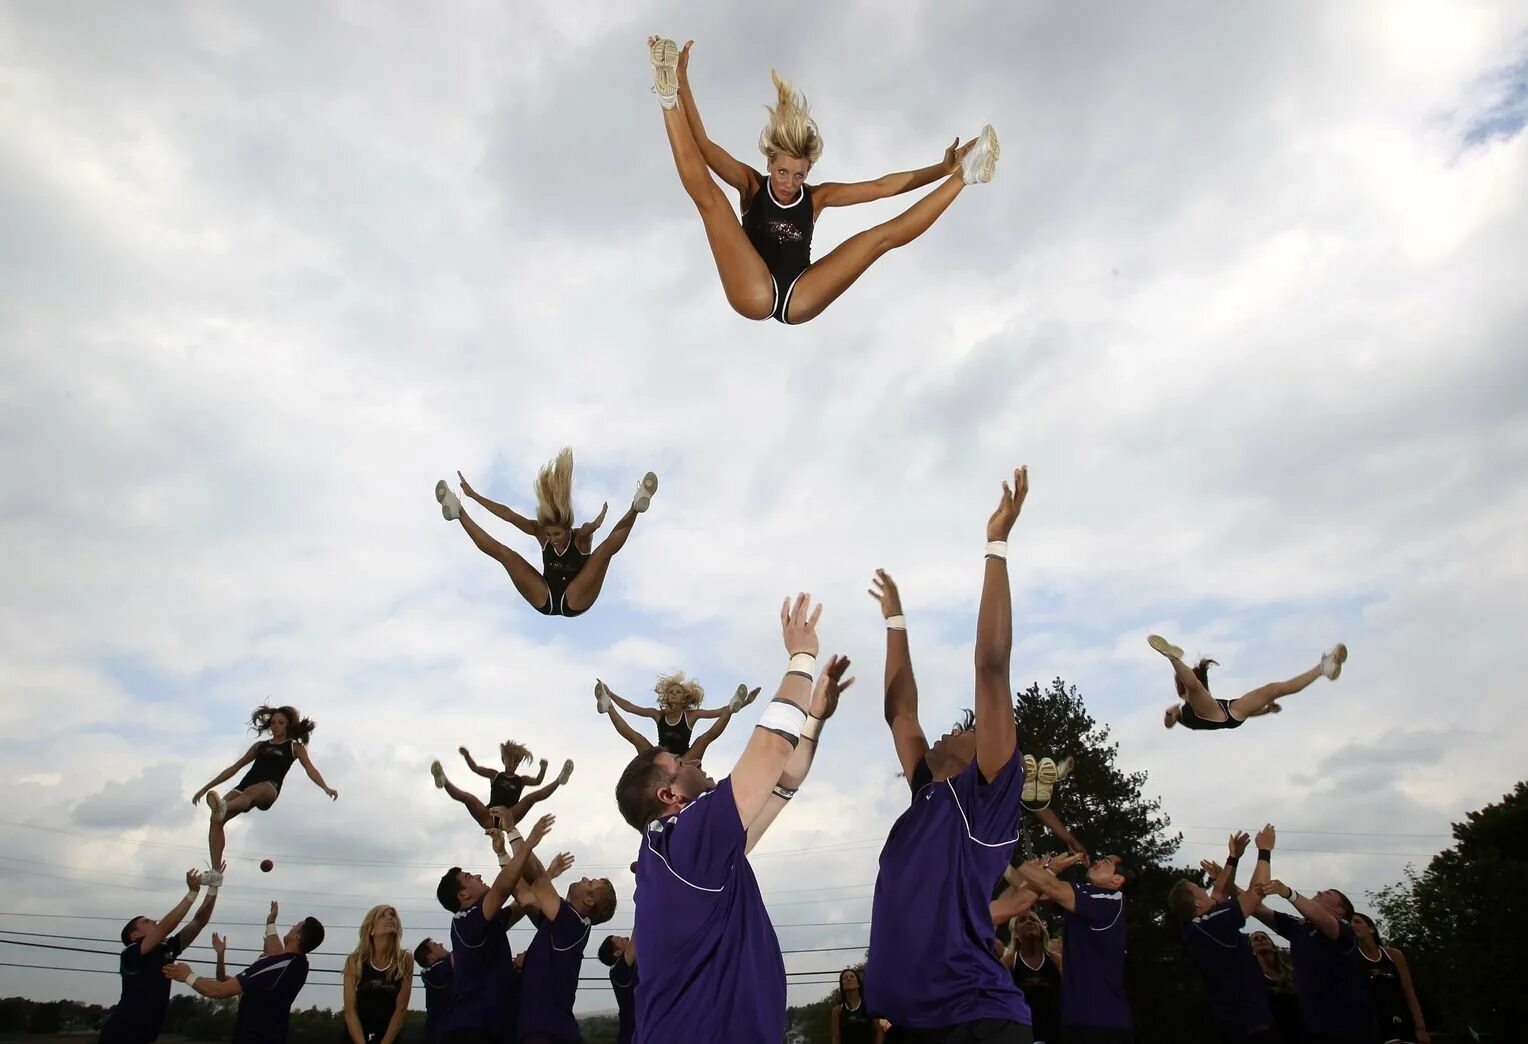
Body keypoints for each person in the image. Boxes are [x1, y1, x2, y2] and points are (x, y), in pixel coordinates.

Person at [614, 592, 851, 1043]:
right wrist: (801, 656)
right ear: (669, 796)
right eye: (680, 765)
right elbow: (771, 747)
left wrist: (815, 715)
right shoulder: (680, 839)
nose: (694, 763)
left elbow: (782, 783)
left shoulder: (695, 859)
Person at [645, 37, 1000, 326]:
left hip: (800, 295)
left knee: (879, 238)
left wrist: (941, 170)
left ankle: (965, 176)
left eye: (798, 175)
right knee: (712, 201)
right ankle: (666, 99)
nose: (788, 183)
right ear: (770, 163)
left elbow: (882, 187)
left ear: (807, 173)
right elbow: (704, 147)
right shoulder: (750, 183)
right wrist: (682, 84)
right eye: (782, 172)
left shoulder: (817, 198)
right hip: (752, 289)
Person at [863, 465, 1035, 1044]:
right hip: (915, 1024)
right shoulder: (927, 796)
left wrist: (996, 544)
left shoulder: (982, 803)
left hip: (975, 1019)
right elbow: (901, 714)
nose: (951, 731)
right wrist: (895, 619)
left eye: (966, 730)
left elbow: (990, 668)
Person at [436, 454, 657, 618]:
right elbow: (508, 515)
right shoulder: (541, 534)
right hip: (546, 597)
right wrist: (474, 496)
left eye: (558, 534)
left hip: (577, 598)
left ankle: (636, 506)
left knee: (603, 552)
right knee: (506, 555)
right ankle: (458, 512)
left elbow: (590, 529)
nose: (553, 539)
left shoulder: (579, 538)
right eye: (549, 534)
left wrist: (596, 524)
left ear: (568, 529)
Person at [433, 814, 554, 1044]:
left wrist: (504, 854)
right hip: (469, 1030)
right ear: (464, 895)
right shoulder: (466, 921)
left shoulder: (489, 919)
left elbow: (524, 899)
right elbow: (504, 886)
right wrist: (526, 843)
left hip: (496, 1026)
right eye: (469, 877)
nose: (478, 875)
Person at [1167, 826, 1279, 1043]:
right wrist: (1264, 851)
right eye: (1200, 889)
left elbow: (1219, 891)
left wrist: (1233, 858)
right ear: (1198, 903)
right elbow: (1256, 893)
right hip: (1249, 1023)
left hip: (1231, 1021)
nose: (1206, 888)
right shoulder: (1213, 923)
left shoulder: (1197, 925)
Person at [191, 704, 337, 865]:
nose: (275, 726)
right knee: (216, 821)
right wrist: (205, 788)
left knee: (250, 792)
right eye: (273, 722)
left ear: (288, 724)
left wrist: (325, 787)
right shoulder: (260, 746)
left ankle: (223, 807)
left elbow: (310, 769)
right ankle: (215, 873)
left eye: (280, 722)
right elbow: (235, 768)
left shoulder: (295, 747)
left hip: (269, 789)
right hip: (244, 787)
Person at [164, 900, 325, 1044]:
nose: (292, 927)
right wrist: (270, 922)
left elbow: (220, 990)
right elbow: (275, 952)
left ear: (297, 936)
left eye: (296, 926)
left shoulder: (272, 967)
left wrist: (187, 975)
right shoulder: (299, 965)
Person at [1016, 852, 1135, 1044]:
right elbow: (1029, 891)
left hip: (1103, 1020)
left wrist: (1003, 847)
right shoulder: (1086, 896)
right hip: (1076, 1017)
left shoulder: (1112, 899)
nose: (1097, 861)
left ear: (1117, 879)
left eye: (1105, 862)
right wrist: (1004, 863)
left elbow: (1049, 886)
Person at [510, 835, 618, 1044]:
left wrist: (512, 830)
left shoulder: (572, 922)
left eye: (590, 883)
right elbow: (524, 895)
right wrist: (501, 852)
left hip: (546, 1031)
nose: (585, 878)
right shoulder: (562, 923)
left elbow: (537, 880)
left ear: (589, 900)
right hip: (545, 1028)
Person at [100, 866, 222, 1043]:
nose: (155, 922)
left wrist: (213, 887)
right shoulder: (131, 953)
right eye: (147, 921)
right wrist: (192, 893)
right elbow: (166, 926)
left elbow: (199, 921)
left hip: (146, 1036)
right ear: (134, 935)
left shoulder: (167, 948)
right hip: (120, 1034)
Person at [1149, 636, 1348, 731]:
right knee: (1195, 689)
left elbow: (1248, 712)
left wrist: (1265, 711)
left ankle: (1323, 668)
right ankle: (1172, 657)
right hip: (1210, 714)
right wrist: (1169, 713)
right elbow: (1168, 724)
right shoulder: (1181, 711)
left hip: (1230, 710)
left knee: (1274, 689)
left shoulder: (1196, 696)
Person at [1261, 878, 1375, 1044]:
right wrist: (1228, 875)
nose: (1320, 892)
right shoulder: (1298, 927)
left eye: (1328, 893)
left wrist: (1289, 893)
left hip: (1350, 1026)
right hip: (1315, 1026)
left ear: (1339, 911)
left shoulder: (1344, 930)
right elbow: (1258, 909)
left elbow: (1322, 919)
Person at [595, 674, 758, 760]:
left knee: (704, 739)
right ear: (667, 696)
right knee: (636, 737)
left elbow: (718, 712)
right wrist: (611, 694)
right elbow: (630, 707)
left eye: (678, 692)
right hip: (660, 757)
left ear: (684, 698)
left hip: (685, 759)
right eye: (671, 692)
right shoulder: (658, 714)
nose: (673, 694)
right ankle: (607, 706)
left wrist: (744, 703)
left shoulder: (692, 715)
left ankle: (733, 704)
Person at [431, 742, 574, 833]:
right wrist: (467, 755)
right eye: (509, 762)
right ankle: (443, 780)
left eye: (515, 763)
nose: (512, 766)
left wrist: (543, 768)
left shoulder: (521, 780)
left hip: (510, 817)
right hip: (489, 816)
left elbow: (537, 781)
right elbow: (475, 768)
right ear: (503, 760)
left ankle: (560, 779)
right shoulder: (494, 775)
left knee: (531, 798)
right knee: (468, 798)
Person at [1351, 913, 1430, 1044]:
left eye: (1357, 922)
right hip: (1377, 1024)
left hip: (1404, 1021)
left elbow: (1409, 992)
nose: (1353, 925)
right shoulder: (1353, 957)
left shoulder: (1393, 955)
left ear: (1371, 929)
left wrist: (1420, 1027)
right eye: (1350, 923)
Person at [341, 904, 413, 1044]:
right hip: (356, 1036)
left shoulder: (405, 959)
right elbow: (350, 1010)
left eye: (392, 915)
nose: (389, 918)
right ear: (371, 929)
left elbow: (401, 1009)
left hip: (389, 1037)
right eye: (382, 916)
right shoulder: (354, 961)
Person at [1002, 913, 1062, 1044]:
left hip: (1055, 1029)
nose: (1029, 922)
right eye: (1022, 920)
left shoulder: (1055, 959)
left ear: (1041, 929)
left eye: (1033, 920)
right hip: (1023, 1030)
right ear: (1015, 933)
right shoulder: (1009, 961)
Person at [1248, 931, 1301, 1044]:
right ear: (1251, 950)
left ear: (1274, 947)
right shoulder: (1250, 978)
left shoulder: (1290, 973)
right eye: (1255, 939)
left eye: (1264, 937)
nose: (1260, 939)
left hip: (1299, 1030)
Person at [596, 935, 639, 1044]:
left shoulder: (624, 968)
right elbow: (637, 937)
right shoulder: (619, 971)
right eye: (619, 939)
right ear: (617, 953)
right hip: (633, 1033)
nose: (625, 937)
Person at [413, 938, 453, 1044]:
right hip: (442, 1033)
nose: (441, 944)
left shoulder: (440, 970)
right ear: (430, 957)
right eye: (435, 945)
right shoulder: (433, 973)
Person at [832, 968, 884, 1044]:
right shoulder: (837, 1011)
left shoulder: (869, 1006)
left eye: (852, 976)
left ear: (858, 984)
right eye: (845, 978)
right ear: (842, 986)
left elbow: (879, 1031)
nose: (848, 979)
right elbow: (836, 1038)